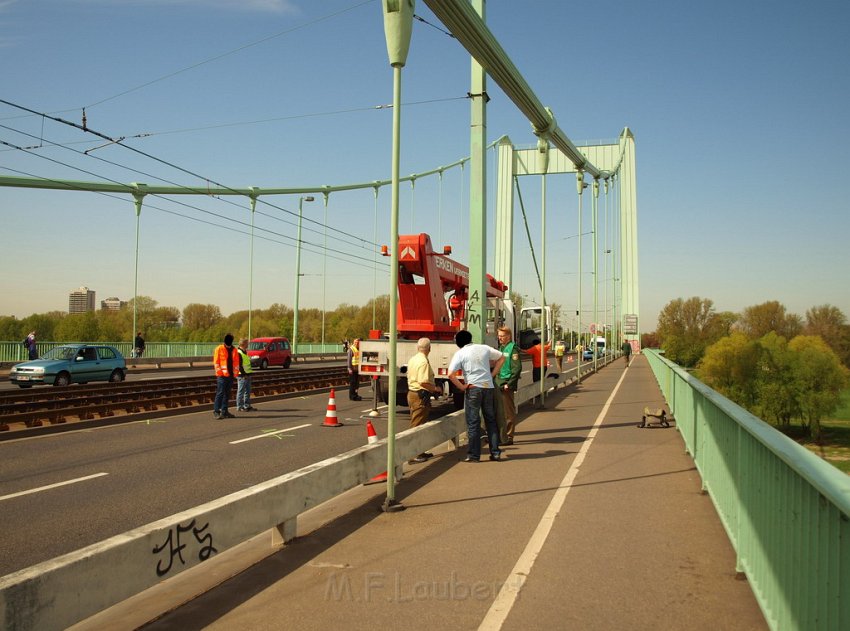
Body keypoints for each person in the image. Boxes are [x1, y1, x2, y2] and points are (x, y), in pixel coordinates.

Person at [448, 330, 505, 462]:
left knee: (473, 422)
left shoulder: (460, 353)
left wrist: (462, 387)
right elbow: (502, 357)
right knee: (490, 420)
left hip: (473, 389)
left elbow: (451, 374)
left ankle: (474, 455)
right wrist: (492, 375)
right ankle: (495, 452)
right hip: (488, 387)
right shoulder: (484, 348)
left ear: (458, 342)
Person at [406, 337, 442, 464]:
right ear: (429, 349)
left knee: (419, 424)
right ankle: (412, 454)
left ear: (418, 348)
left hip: (413, 393)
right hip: (420, 396)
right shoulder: (423, 362)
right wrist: (435, 389)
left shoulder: (413, 359)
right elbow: (423, 382)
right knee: (417, 426)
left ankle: (419, 451)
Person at [494, 327, 522, 445]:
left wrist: (509, 384)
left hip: (506, 384)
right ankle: (501, 436)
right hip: (499, 382)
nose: (500, 338)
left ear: (509, 337)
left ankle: (509, 437)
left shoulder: (513, 349)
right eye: (499, 336)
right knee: (499, 411)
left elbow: (517, 368)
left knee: (508, 412)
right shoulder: (501, 348)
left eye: (502, 336)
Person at [213, 333, 240, 419]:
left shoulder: (234, 350)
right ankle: (216, 411)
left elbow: (236, 363)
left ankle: (224, 411)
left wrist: (235, 373)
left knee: (227, 394)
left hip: (230, 376)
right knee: (220, 393)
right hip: (222, 376)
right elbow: (216, 362)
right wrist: (220, 373)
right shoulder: (219, 348)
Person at [236, 337, 256, 412]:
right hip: (242, 375)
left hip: (247, 374)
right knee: (241, 391)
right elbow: (239, 365)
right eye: (247, 343)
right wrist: (244, 374)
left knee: (247, 391)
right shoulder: (239, 352)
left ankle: (247, 405)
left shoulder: (245, 352)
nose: (248, 344)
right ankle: (239, 406)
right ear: (243, 344)